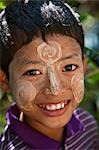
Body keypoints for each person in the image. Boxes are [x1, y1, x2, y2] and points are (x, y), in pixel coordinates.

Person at [0, 0, 98, 149]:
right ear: (4, 80)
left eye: (69, 67)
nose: (55, 88)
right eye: (33, 72)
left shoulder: (88, 126)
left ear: (83, 67)